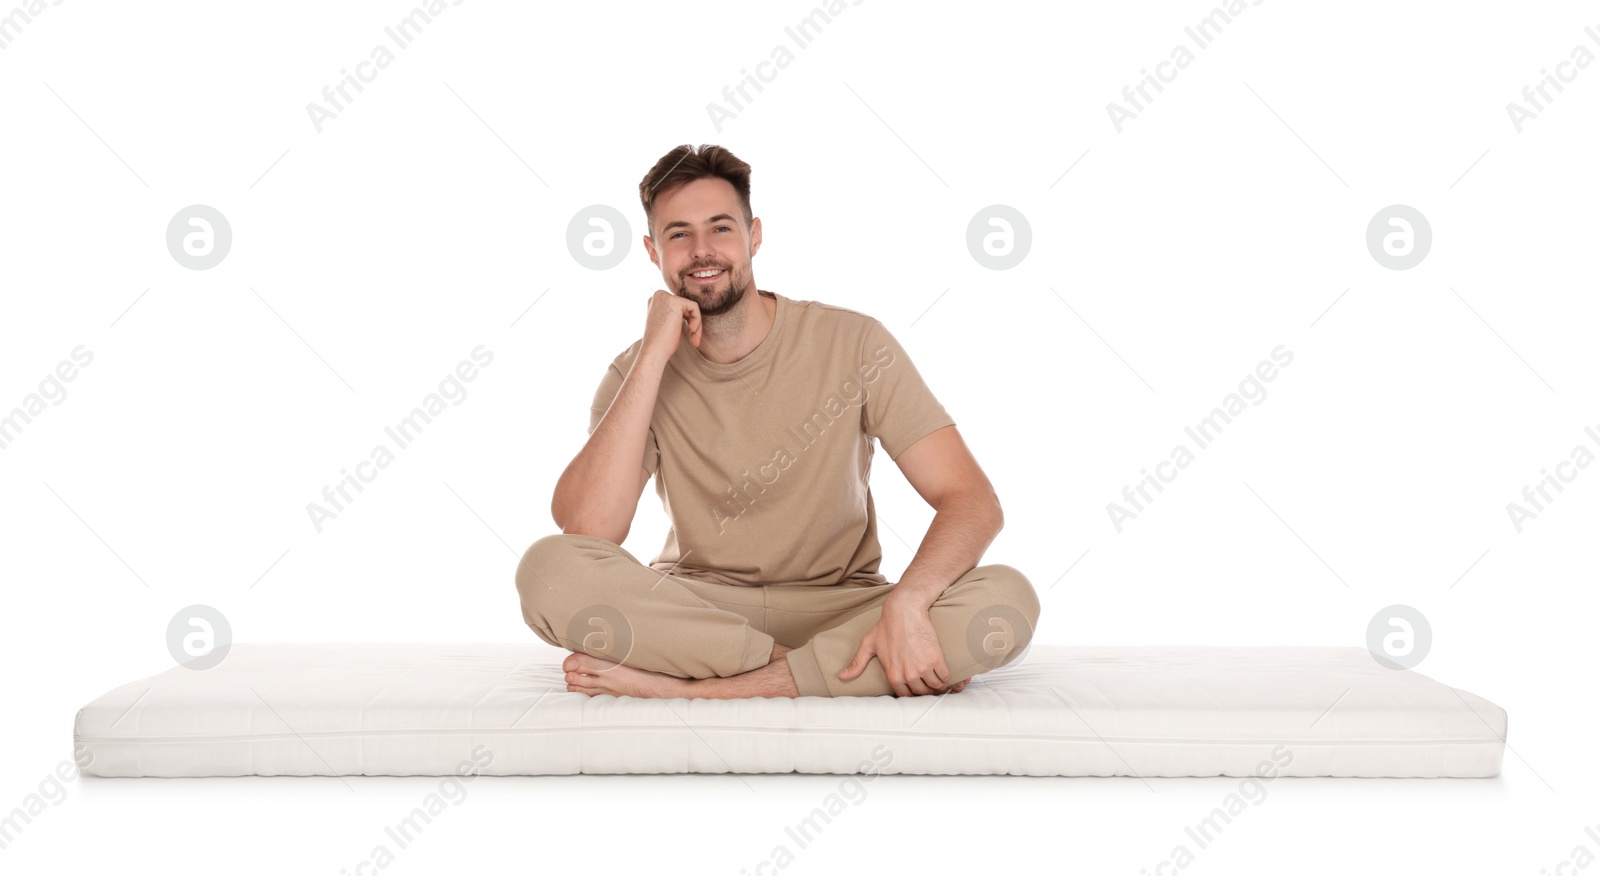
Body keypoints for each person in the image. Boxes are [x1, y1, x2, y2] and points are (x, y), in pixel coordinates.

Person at [516, 144, 1039, 699]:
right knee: (547, 571)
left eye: (720, 228)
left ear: (753, 236)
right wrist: (651, 357)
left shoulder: (856, 343)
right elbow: (587, 530)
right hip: (698, 610)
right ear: (652, 251)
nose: (701, 251)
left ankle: (698, 690)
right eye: (678, 235)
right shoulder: (635, 370)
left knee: (1007, 601)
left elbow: (972, 499)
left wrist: (908, 606)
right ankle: (826, 673)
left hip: (842, 605)